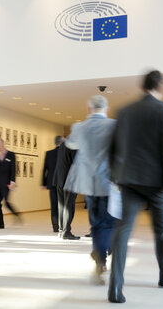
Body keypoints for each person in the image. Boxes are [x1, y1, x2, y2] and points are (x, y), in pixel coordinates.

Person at [108, 70, 163, 303]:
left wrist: (114, 174)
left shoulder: (124, 111)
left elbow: (113, 146)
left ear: (142, 86)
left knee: (123, 231)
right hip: (158, 183)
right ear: (160, 86)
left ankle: (115, 288)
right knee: (161, 232)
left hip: (129, 180)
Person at [63, 95, 116, 285]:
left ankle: (99, 257)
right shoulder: (114, 125)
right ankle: (102, 252)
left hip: (87, 182)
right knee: (109, 222)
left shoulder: (79, 127)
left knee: (95, 223)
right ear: (107, 109)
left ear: (88, 109)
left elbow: (70, 144)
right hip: (109, 181)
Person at [51, 138, 79, 240]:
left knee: (62, 206)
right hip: (69, 180)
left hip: (59, 179)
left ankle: (61, 231)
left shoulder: (63, 145)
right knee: (68, 206)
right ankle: (66, 232)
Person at [0, 138, 20, 228]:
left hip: (7, 184)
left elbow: (13, 169)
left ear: (3, 144)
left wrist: (13, 181)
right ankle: (0, 223)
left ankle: (16, 214)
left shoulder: (11, 155)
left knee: (6, 202)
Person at [42, 136, 64, 232]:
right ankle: (63, 226)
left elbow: (44, 169)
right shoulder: (65, 153)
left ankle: (55, 227)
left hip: (51, 183)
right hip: (62, 183)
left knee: (54, 205)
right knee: (63, 205)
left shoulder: (49, 153)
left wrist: (43, 183)